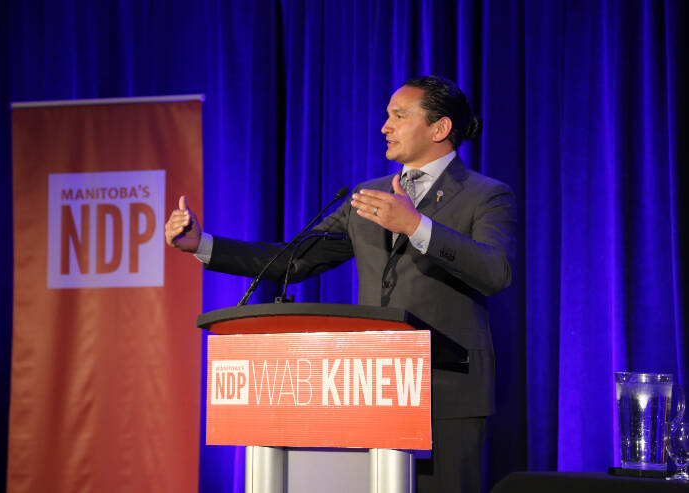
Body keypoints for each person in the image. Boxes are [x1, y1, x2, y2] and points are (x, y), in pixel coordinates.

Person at [165, 76, 516, 493]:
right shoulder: (369, 195)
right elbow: (292, 261)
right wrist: (201, 244)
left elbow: (495, 272)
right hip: (371, 388)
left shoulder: (486, 195)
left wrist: (416, 226)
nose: (384, 126)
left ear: (439, 128)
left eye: (399, 116)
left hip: (447, 390)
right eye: (387, 116)